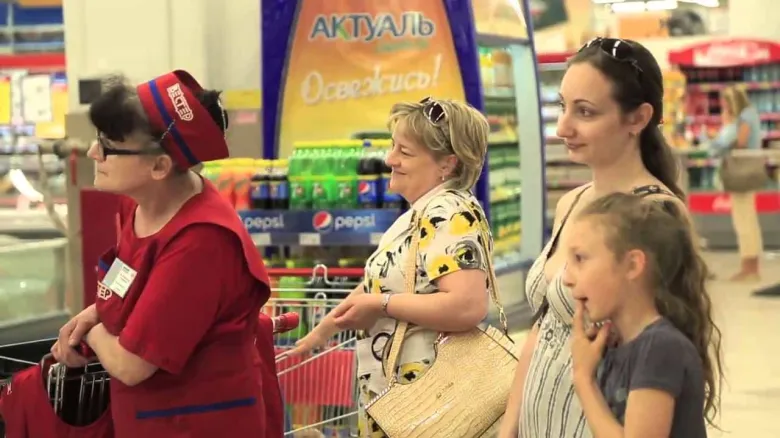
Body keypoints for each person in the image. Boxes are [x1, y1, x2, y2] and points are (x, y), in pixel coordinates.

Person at [50, 71, 282, 437]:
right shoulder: (137, 205)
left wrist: (93, 332)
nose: (94, 153)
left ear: (159, 167)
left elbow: (131, 365)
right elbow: (132, 281)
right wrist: (94, 312)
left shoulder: (202, 242)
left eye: (109, 145)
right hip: (147, 420)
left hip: (200, 424)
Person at [498, 37, 702, 438]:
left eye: (585, 112)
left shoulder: (654, 213)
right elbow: (545, 327)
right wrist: (510, 426)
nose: (563, 128)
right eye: (563, 107)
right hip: (540, 422)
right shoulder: (572, 203)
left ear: (638, 118)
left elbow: (658, 353)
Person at [289, 97, 493, 437]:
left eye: (405, 152)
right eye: (393, 146)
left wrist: (380, 305)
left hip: (425, 405)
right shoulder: (423, 212)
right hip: (403, 400)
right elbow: (381, 282)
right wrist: (324, 330)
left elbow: (467, 306)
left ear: (447, 164)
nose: (389, 159)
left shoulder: (449, 214)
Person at [565, 192, 722, 437]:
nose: (567, 278)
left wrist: (583, 379)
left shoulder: (660, 347)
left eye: (580, 259)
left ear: (632, 265)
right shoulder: (617, 346)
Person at [710, 85, 764, 281]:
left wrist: (727, 124)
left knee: (744, 221)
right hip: (747, 171)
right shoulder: (750, 113)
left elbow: (741, 141)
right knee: (748, 219)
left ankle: (749, 269)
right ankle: (750, 267)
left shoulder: (745, 116)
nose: (724, 106)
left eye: (726, 102)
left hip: (742, 172)